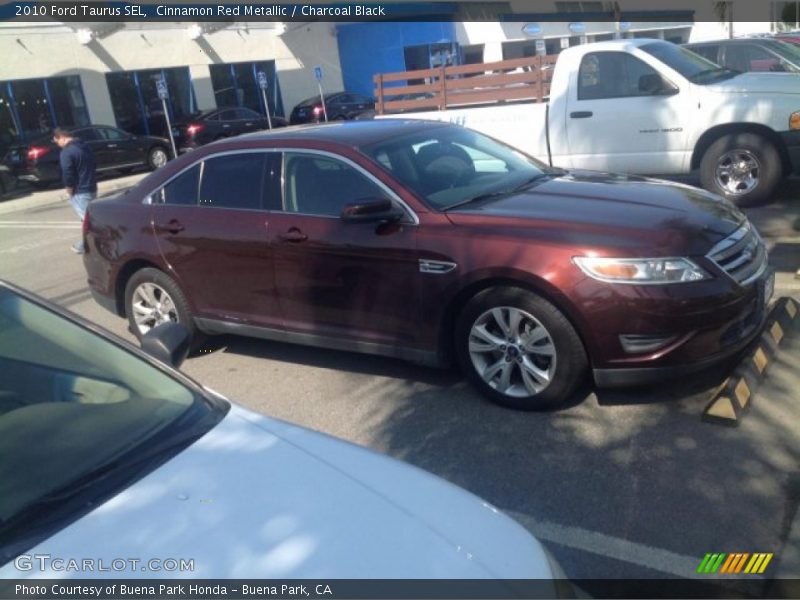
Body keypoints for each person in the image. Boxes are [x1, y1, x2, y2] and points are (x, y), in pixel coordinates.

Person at [53, 127, 97, 254]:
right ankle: (88, 243)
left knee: (88, 221)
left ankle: (86, 245)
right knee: (90, 218)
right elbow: (94, 164)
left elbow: (67, 172)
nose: (58, 144)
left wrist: (69, 188)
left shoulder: (67, 152)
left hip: (79, 190)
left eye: (57, 141)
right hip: (91, 186)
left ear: (62, 137)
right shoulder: (85, 147)